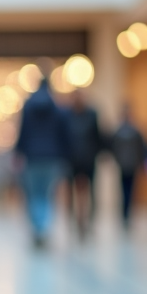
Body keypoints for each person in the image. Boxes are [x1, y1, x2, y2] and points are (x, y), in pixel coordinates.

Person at [14, 66, 69, 248]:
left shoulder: (28, 106)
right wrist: (64, 155)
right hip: (52, 158)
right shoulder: (57, 108)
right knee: (47, 194)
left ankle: (38, 228)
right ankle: (43, 227)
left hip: (32, 158)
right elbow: (63, 135)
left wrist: (18, 152)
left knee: (34, 194)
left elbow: (23, 132)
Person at [64, 89, 103, 240]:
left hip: (88, 160)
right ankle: (72, 220)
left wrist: (98, 153)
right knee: (70, 192)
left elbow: (97, 137)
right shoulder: (66, 115)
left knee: (90, 191)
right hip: (71, 160)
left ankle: (89, 221)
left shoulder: (92, 114)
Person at [110, 104, 147, 229]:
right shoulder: (136, 131)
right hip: (131, 165)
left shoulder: (119, 131)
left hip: (125, 165)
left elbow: (114, 149)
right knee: (130, 190)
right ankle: (127, 214)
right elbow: (142, 149)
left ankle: (125, 214)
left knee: (125, 190)